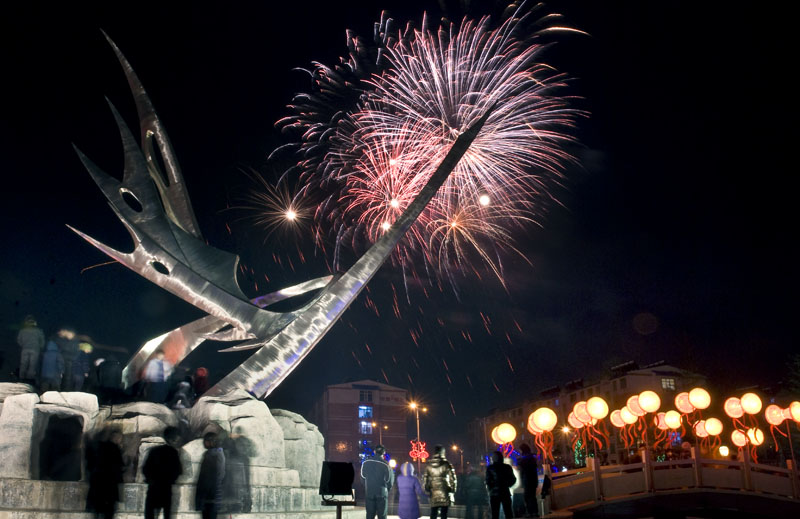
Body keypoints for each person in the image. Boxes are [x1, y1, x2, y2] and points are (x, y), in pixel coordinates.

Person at [143, 426, 183, 519]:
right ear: (173, 439)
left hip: (153, 487)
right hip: (166, 488)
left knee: (150, 513)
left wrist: (150, 479)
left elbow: (145, 469)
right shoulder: (173, 452)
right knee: (166, 513)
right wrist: (171, 480)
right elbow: (178, 470)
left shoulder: (154, 451)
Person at [86, 426, 125, 519]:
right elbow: (119, 466)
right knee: (108, 511)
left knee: (97, 510)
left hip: (98, 483)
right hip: (109, 485)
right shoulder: (114, 448)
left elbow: (90, 463)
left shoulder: (98, 447)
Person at [195, 431, 225, 519]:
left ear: (212, 442)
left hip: (210, 495)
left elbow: (213, 476)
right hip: (211, 494)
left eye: (206, 441)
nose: (204, 443)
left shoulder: (213, 455)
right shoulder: (215, 454)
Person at [360, 444, 394, 519]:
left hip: (369, 492)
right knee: (382, 515)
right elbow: (389, 481)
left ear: (374, 451)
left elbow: (362, 477)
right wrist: (387, 489)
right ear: (384, 453)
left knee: (369, 515)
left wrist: (367, 486)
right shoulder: (386, 465)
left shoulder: (366, 462)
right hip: (382, 493)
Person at [423, 445, 457, 519]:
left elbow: (425, 479)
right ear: (443, 452)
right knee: (444, 514)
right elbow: (453, 479)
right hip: (445, 492)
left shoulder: (429, 465)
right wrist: (452, 489)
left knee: (433, 512)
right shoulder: (447, 464)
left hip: (433, 492)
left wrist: (427, 489)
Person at [486, 451, 516, 519]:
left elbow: (488, 480)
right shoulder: (507, 467)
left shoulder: (490, 468)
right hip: (505, 492)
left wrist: (490, 489)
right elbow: (513, 479)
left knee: (495, 514)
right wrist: (507, 485)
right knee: (508, 513)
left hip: (494, 493)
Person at [17, 315, 45, 382]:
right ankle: (30, 379)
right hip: (35, 349)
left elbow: (19, 340)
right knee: (33, 365)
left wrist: (23, 345)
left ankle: (21, 378)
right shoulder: (38, 331)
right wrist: (40, 347)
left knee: (23, 364)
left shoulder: (22, 331)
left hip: (25, 349)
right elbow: (42, 341)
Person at [517, 444, 538, 517]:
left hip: (527, 480)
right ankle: (534, 512)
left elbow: (522, 469)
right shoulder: (532, 458)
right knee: (532, 496)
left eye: (520, 450)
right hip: (532, 480)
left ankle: (530, 512)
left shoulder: (525, 459)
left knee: (528, 497)